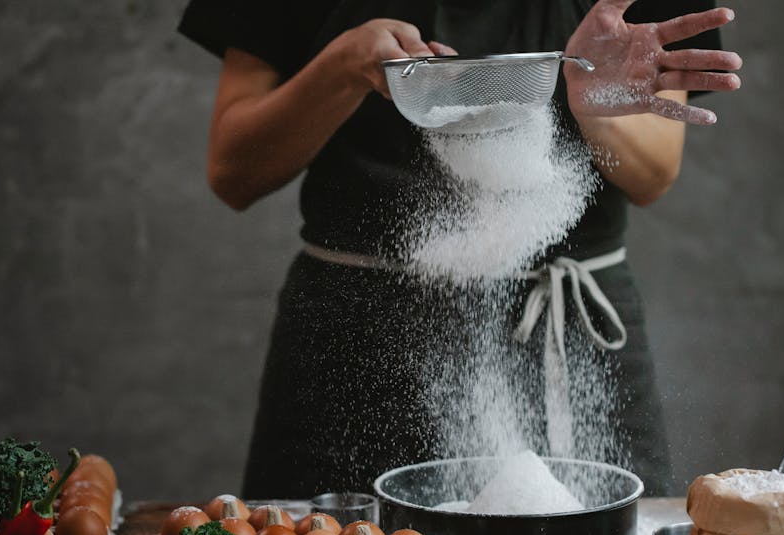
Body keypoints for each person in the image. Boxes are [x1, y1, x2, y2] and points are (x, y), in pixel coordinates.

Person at [177, 0, 742, 499]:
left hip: (567, 335)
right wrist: (340, 68)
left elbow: (654, 174)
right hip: (355, 339)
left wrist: (595, 103)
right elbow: (233, 170)